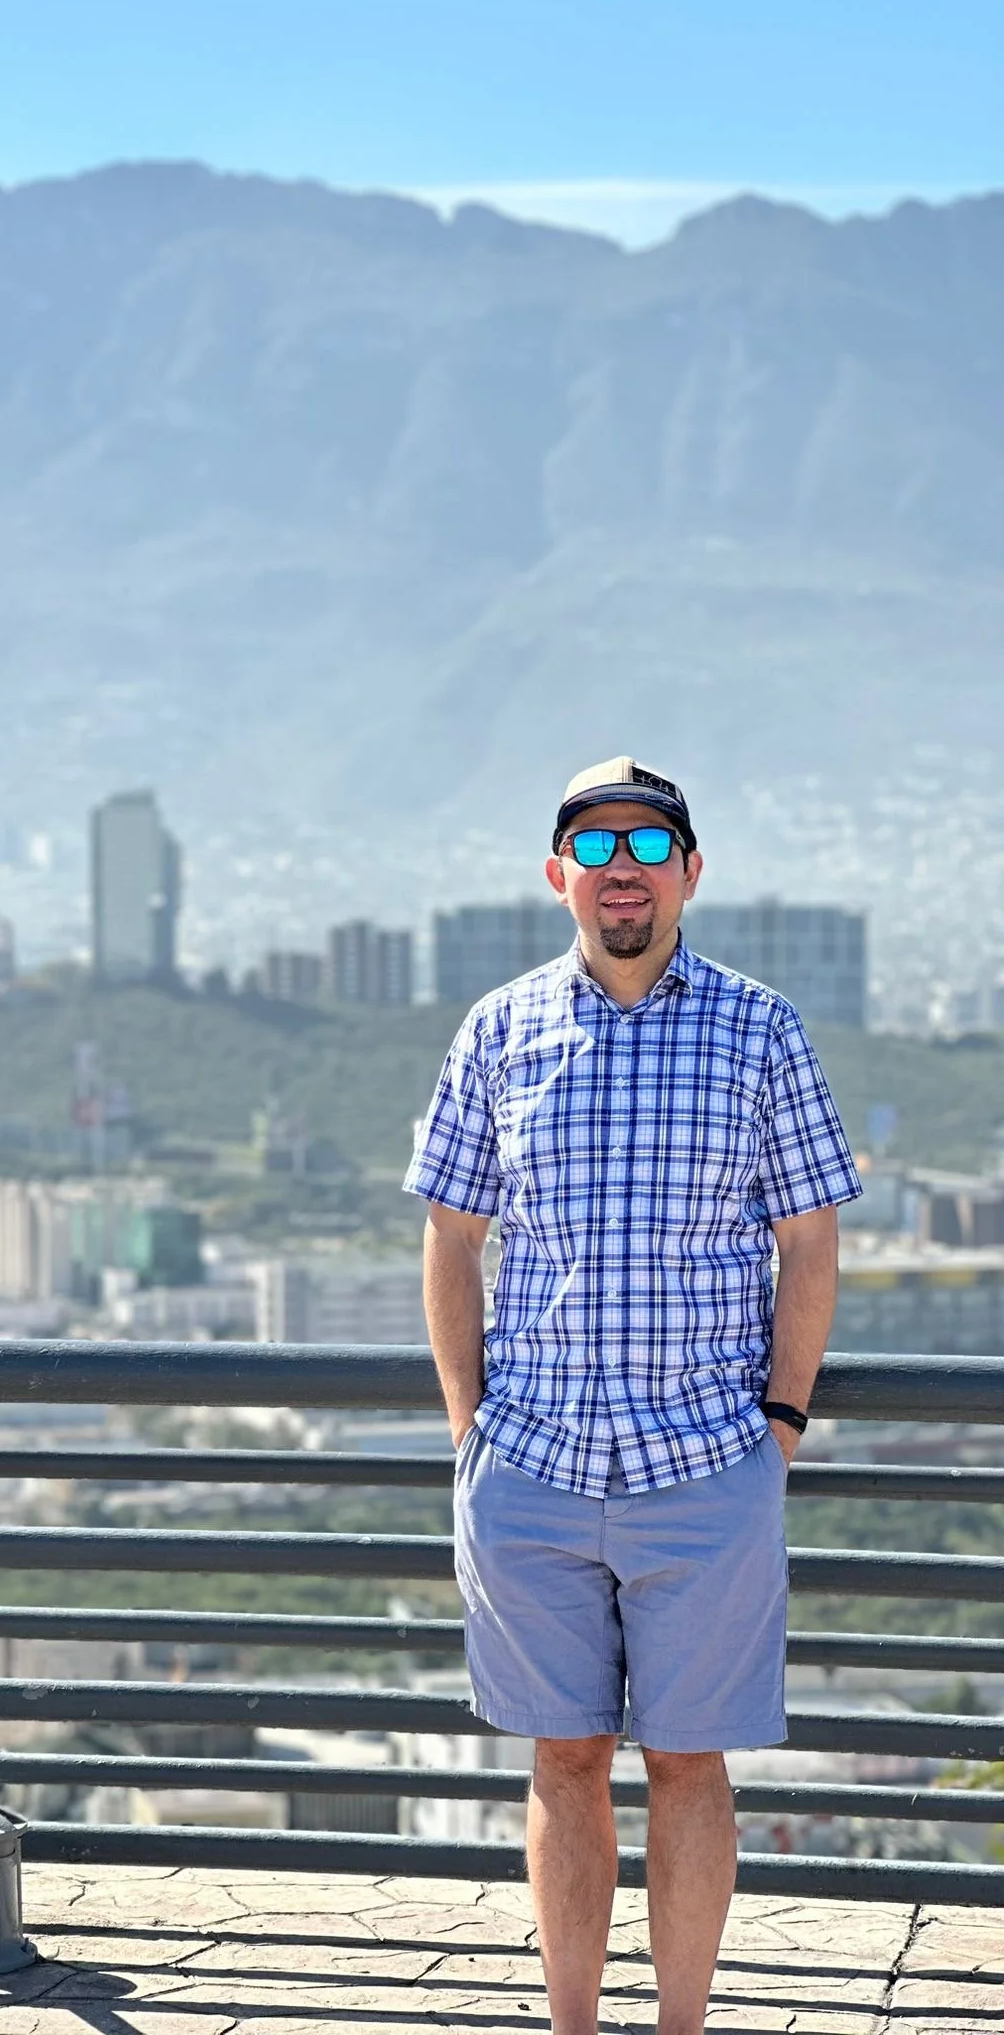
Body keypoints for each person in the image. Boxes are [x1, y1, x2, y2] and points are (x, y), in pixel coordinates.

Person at [403, 757, 860, 2035]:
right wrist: (471, 1428)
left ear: (690, 873)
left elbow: (811, 1241)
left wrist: (779, 1427)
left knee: (689, 1764)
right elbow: (451, 1236)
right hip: (533, 1465)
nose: (622, 866)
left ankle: (680, 2028)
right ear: (558, 874)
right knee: (561, 1758)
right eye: (595, 844)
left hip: (705, 1467)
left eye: (650, 845)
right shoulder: (498, 1031)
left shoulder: (761, 1030)